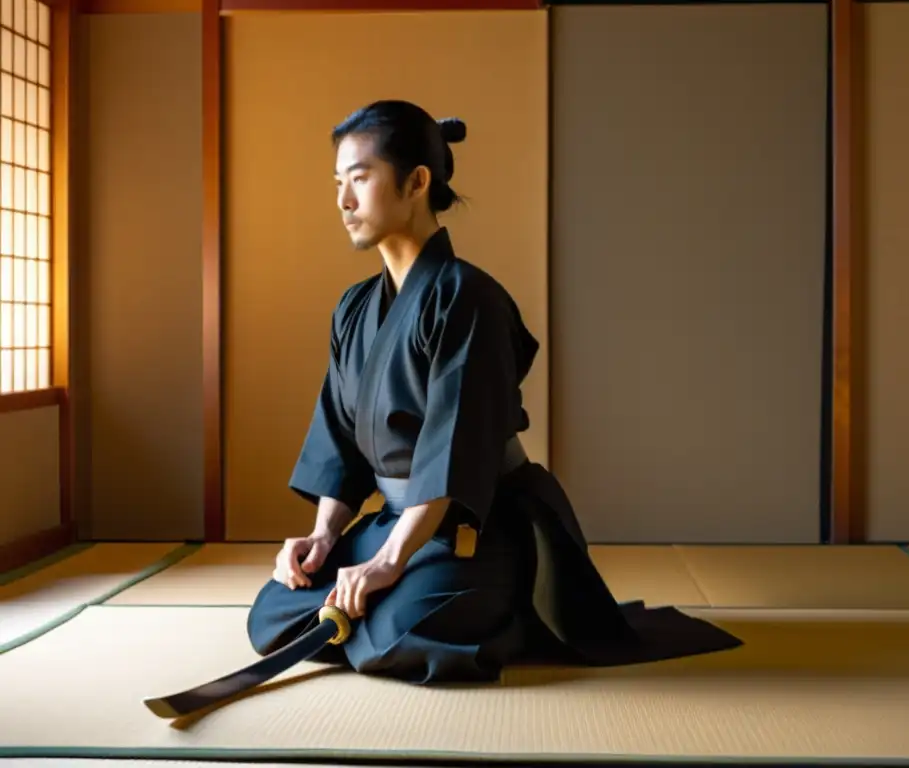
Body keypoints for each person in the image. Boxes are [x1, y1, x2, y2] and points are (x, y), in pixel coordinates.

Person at [246, 100, 742, 684]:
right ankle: (393, 602)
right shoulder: (355, 308)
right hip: (399, 520)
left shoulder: (469, 298)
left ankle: (516, 608)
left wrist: (387, 562)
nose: (343, 201)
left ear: (416, 182)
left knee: (398, 633)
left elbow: (453, 448)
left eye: (360, 178)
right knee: (271, 615)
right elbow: (338, 436)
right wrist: (325, 536)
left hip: (476, 523)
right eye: (337, 183)